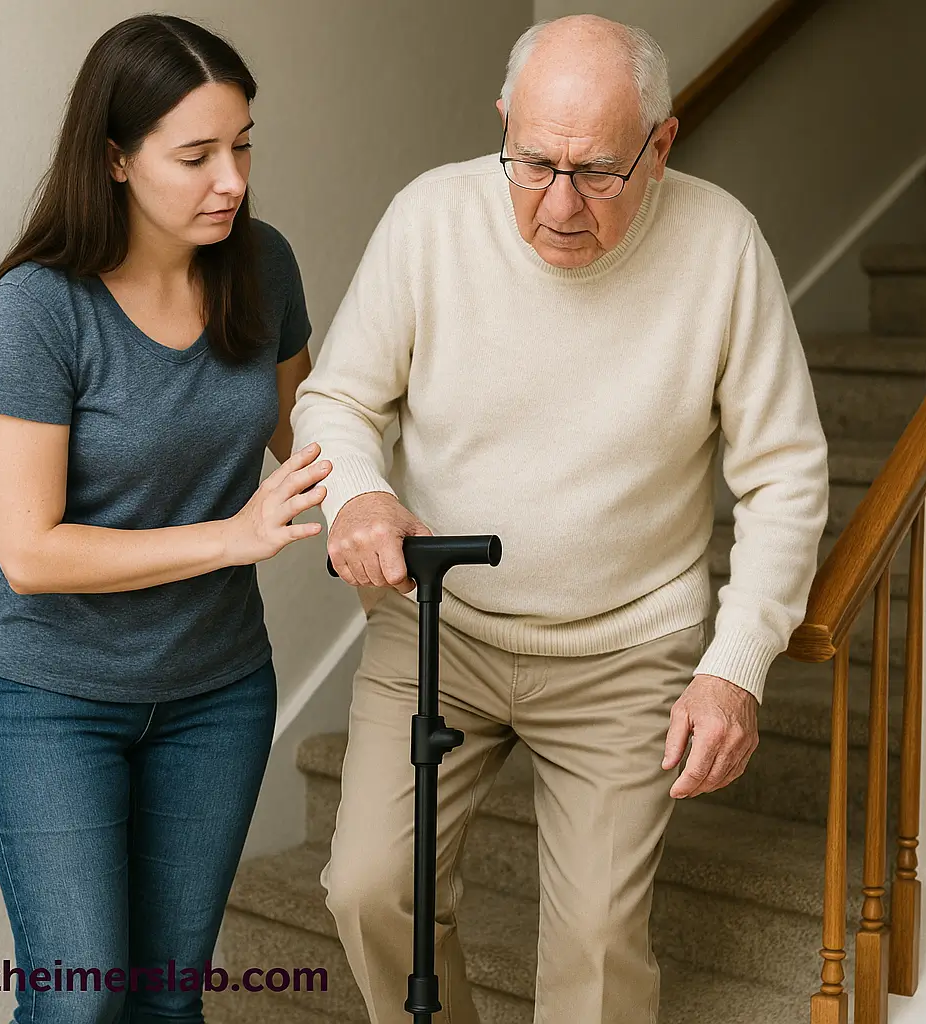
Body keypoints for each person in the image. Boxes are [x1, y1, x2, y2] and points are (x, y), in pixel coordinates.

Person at [290, 14, 829, 1024]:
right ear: (502, 124)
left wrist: (734, 664)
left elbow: (785, 475)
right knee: (368, 890)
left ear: (661, 145)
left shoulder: (722, 247)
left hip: (627, 650)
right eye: (532, 163)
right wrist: (358, 488)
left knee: (593, 950)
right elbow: (336, 399)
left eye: (597, 172)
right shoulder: (428, 220)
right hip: (436, 623)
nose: (558, 204)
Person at [0, 14, 331, 1024]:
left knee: (168, 1003)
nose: (233, 180)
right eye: (197, 154)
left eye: (243, 145)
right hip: (51, 702)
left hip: (215, 695)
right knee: (79, 1002)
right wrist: (231, 537)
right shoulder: (42, 306)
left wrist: (382, 505)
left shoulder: (264, 266)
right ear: (117, 158)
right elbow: (29, 552)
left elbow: (314, 443)